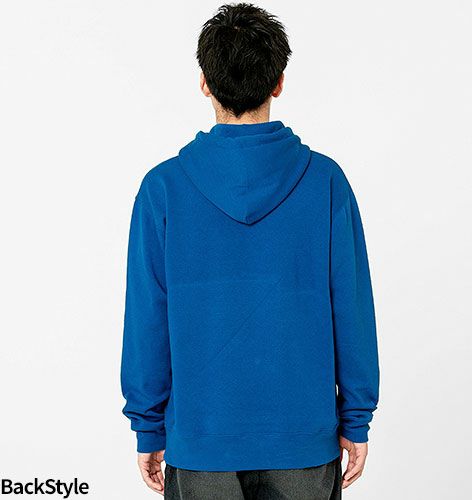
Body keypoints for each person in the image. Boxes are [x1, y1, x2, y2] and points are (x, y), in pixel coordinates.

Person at [120, 3, 380, 499]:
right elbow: (351, 309)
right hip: (303, 445)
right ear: (278, 82)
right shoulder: (325, 182)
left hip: (200, 444)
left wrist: (148, 427)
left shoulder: (163, 189)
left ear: (205, 83)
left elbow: (147, 318)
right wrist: (356, 418)